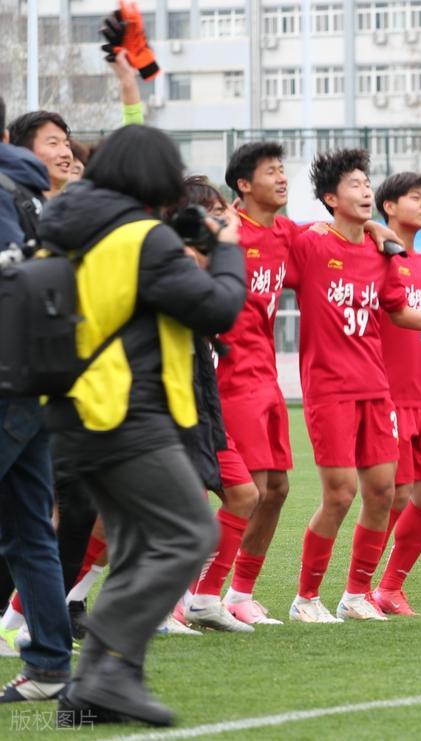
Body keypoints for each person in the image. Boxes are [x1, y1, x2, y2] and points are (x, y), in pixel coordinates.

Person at [41, 125, 245, 726]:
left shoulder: (73, 228)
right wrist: (227, 249)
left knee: (135, 545)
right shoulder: (140, 238)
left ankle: (96, 687)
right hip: (126, 411)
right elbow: (217, 308)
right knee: (190, 534)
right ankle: (107, 670)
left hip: (75, 410)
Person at [285, 149, 421, 623]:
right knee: (340, 493)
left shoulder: (381, 252)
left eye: (367, 183)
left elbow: (398, 311)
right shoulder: (312, 244)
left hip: (377, 390)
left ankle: (358, 594)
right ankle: (305, 598)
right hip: (331, 388)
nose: (365, 190)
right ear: (330, 198)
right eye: (355, 184)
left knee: (387, 492)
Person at [163, 178, 261, 635]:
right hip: (168, 408)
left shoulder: (204, 262)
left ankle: (202, 600)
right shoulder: (174, 263)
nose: (229, 220)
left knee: (244, 495)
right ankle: (164, 608)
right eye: (218, 212)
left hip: (204, 407)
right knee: (183, 516)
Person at [0, 103, 74, 704]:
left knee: (30, 531)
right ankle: (49, 664)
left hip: (6, 382)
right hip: (40, 376)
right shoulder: (40, 197)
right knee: (29, 531)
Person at [217, 142, 298, 625]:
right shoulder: (225, 232)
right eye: (271, 171)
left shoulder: (287, 233)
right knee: (249, 488)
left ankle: (238, 593)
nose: (282, 178)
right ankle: (195, 592)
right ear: (244, 184)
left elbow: (335, 242)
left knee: (279, 488)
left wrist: (373, 228)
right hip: (228, 375)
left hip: (266, 376)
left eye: (282, 170)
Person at [366, 172, 421, 616]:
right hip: (388, 397)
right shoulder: (375, 257)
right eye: (416, 197)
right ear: (389, 206)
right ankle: (358, 590)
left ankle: (390, 588)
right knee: (395, 496)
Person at [7, 111, 73, 200]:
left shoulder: (78, 204)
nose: (66, 153)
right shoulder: (8, 202)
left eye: (67, 145)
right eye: (53, 143)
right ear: (24, 152)